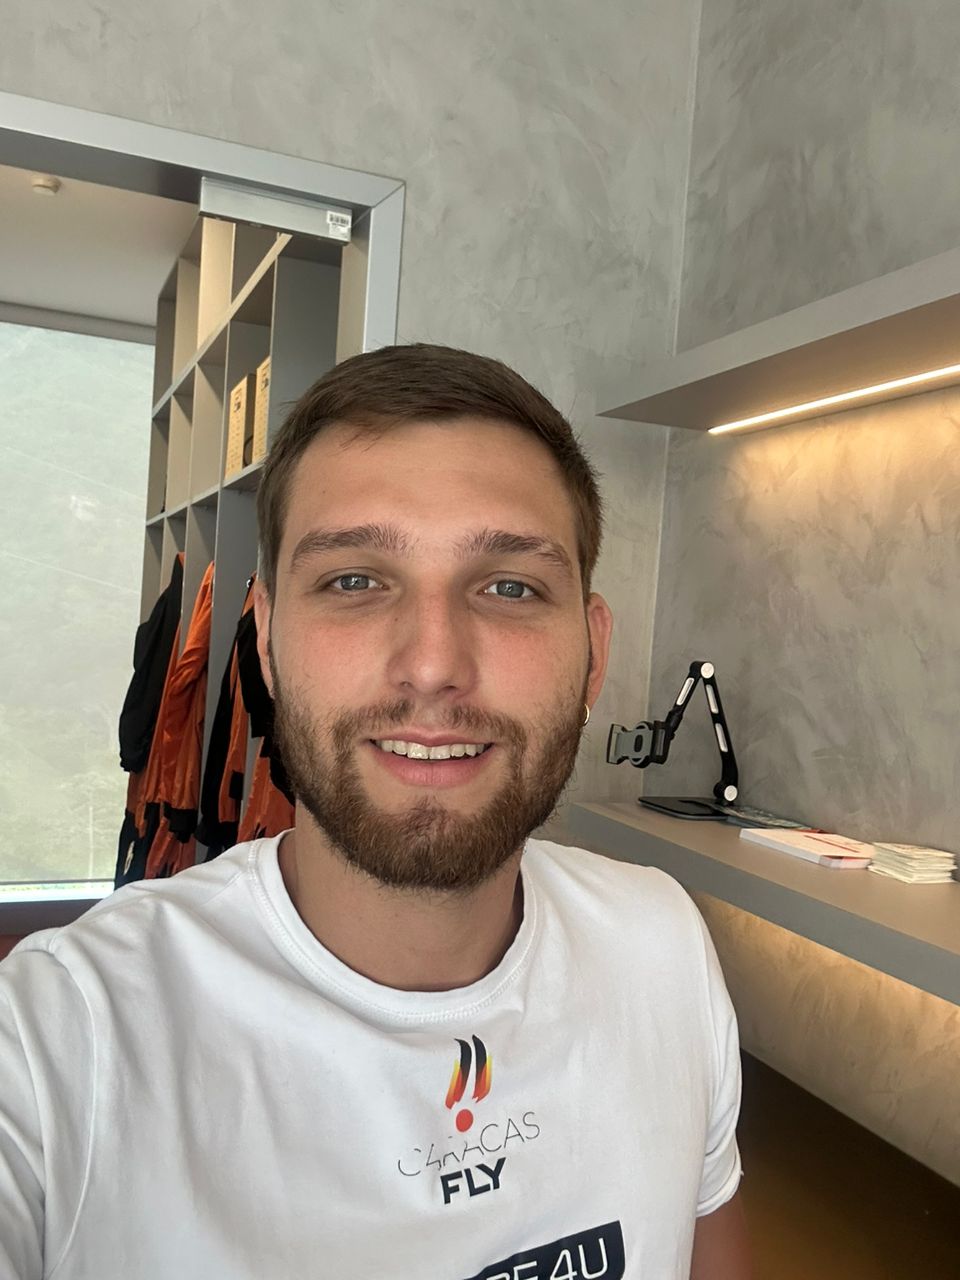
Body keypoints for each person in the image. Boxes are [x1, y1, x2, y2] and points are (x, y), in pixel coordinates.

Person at [0, 344, 752, 1279]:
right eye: (353, 581)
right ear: (267, 645)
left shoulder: (662, 946)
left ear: (593, 654)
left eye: (510, 586)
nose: (432, 664)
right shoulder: (61, 1040)